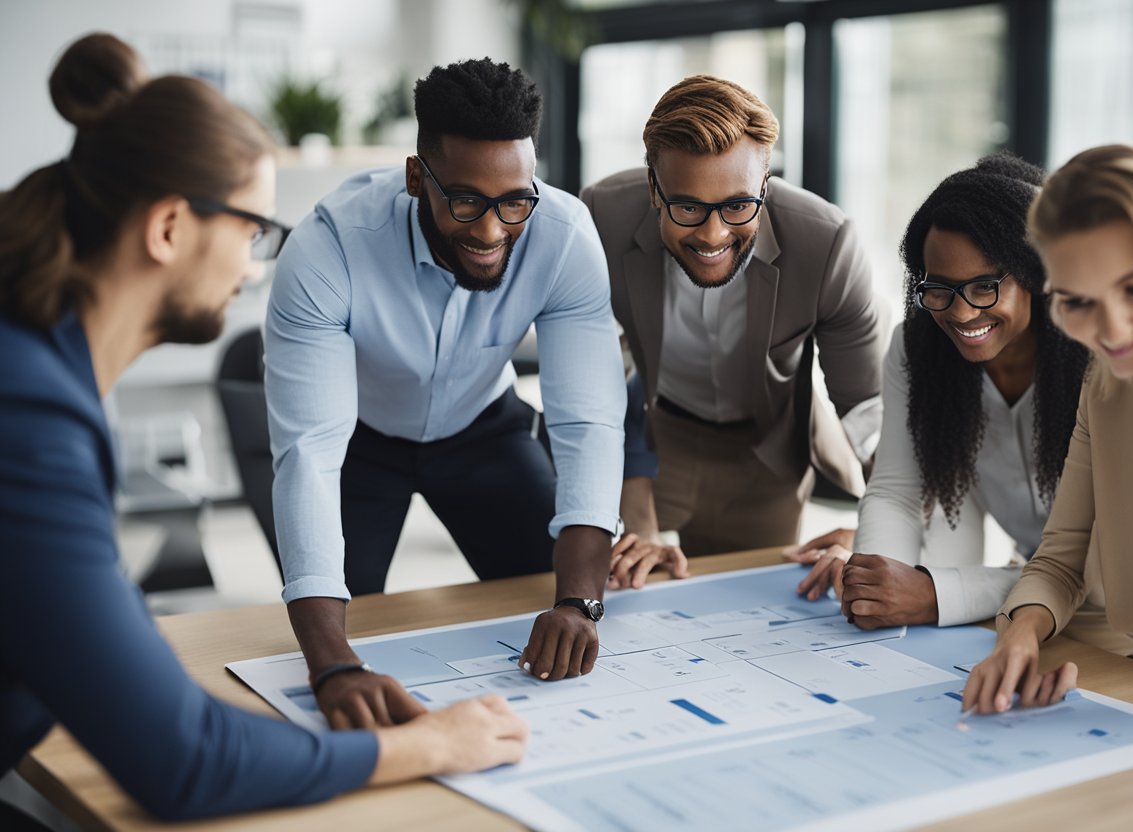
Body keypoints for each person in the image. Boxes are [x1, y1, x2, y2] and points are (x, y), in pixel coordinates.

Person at [0, 34, 527, 827]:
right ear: (169, 227)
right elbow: (184, 760)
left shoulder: (37, 369)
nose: (255, 268)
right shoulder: (30, 419)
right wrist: (430, 745)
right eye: (252, 232)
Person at [264, 57, 625, 724]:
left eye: (514, 201)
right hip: (359, 443)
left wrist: (580, 603)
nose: (491, 230)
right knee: (332, 635)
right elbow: (309, 453)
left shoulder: (564, 236)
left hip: (483, 428)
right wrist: (331, 665)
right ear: (416, 178)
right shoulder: (328, 247)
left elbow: (589, 423)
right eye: (465, 200)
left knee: (563, 597)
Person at [580, 75, 884, 589]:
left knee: (750, 608)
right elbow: (598, 377)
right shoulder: (602, 216)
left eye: (738, 206)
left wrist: (881, 531)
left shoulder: (827, 243)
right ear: (654, 188)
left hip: (765, 456)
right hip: (654, 439)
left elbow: (867, 410)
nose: (713, 234)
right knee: (623, 591)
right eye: (688, 207)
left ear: (765, 185)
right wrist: (637, 520)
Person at [786, 155, 1092, 629]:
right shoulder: (918, 349)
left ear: (1035, 273)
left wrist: (939, 594)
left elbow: (1098, 563)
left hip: (1132, 621)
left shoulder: (1096, 355)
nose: (962, 313)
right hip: (1031, 609)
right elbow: (897, 493)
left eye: (985, 287)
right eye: (940, 289)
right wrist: (877, 583)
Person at [964, 143, 1133, 714]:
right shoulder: (1109, 384)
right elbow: (1062, 555)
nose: (1114, 330)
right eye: (1078, 301)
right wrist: (1020, 636)